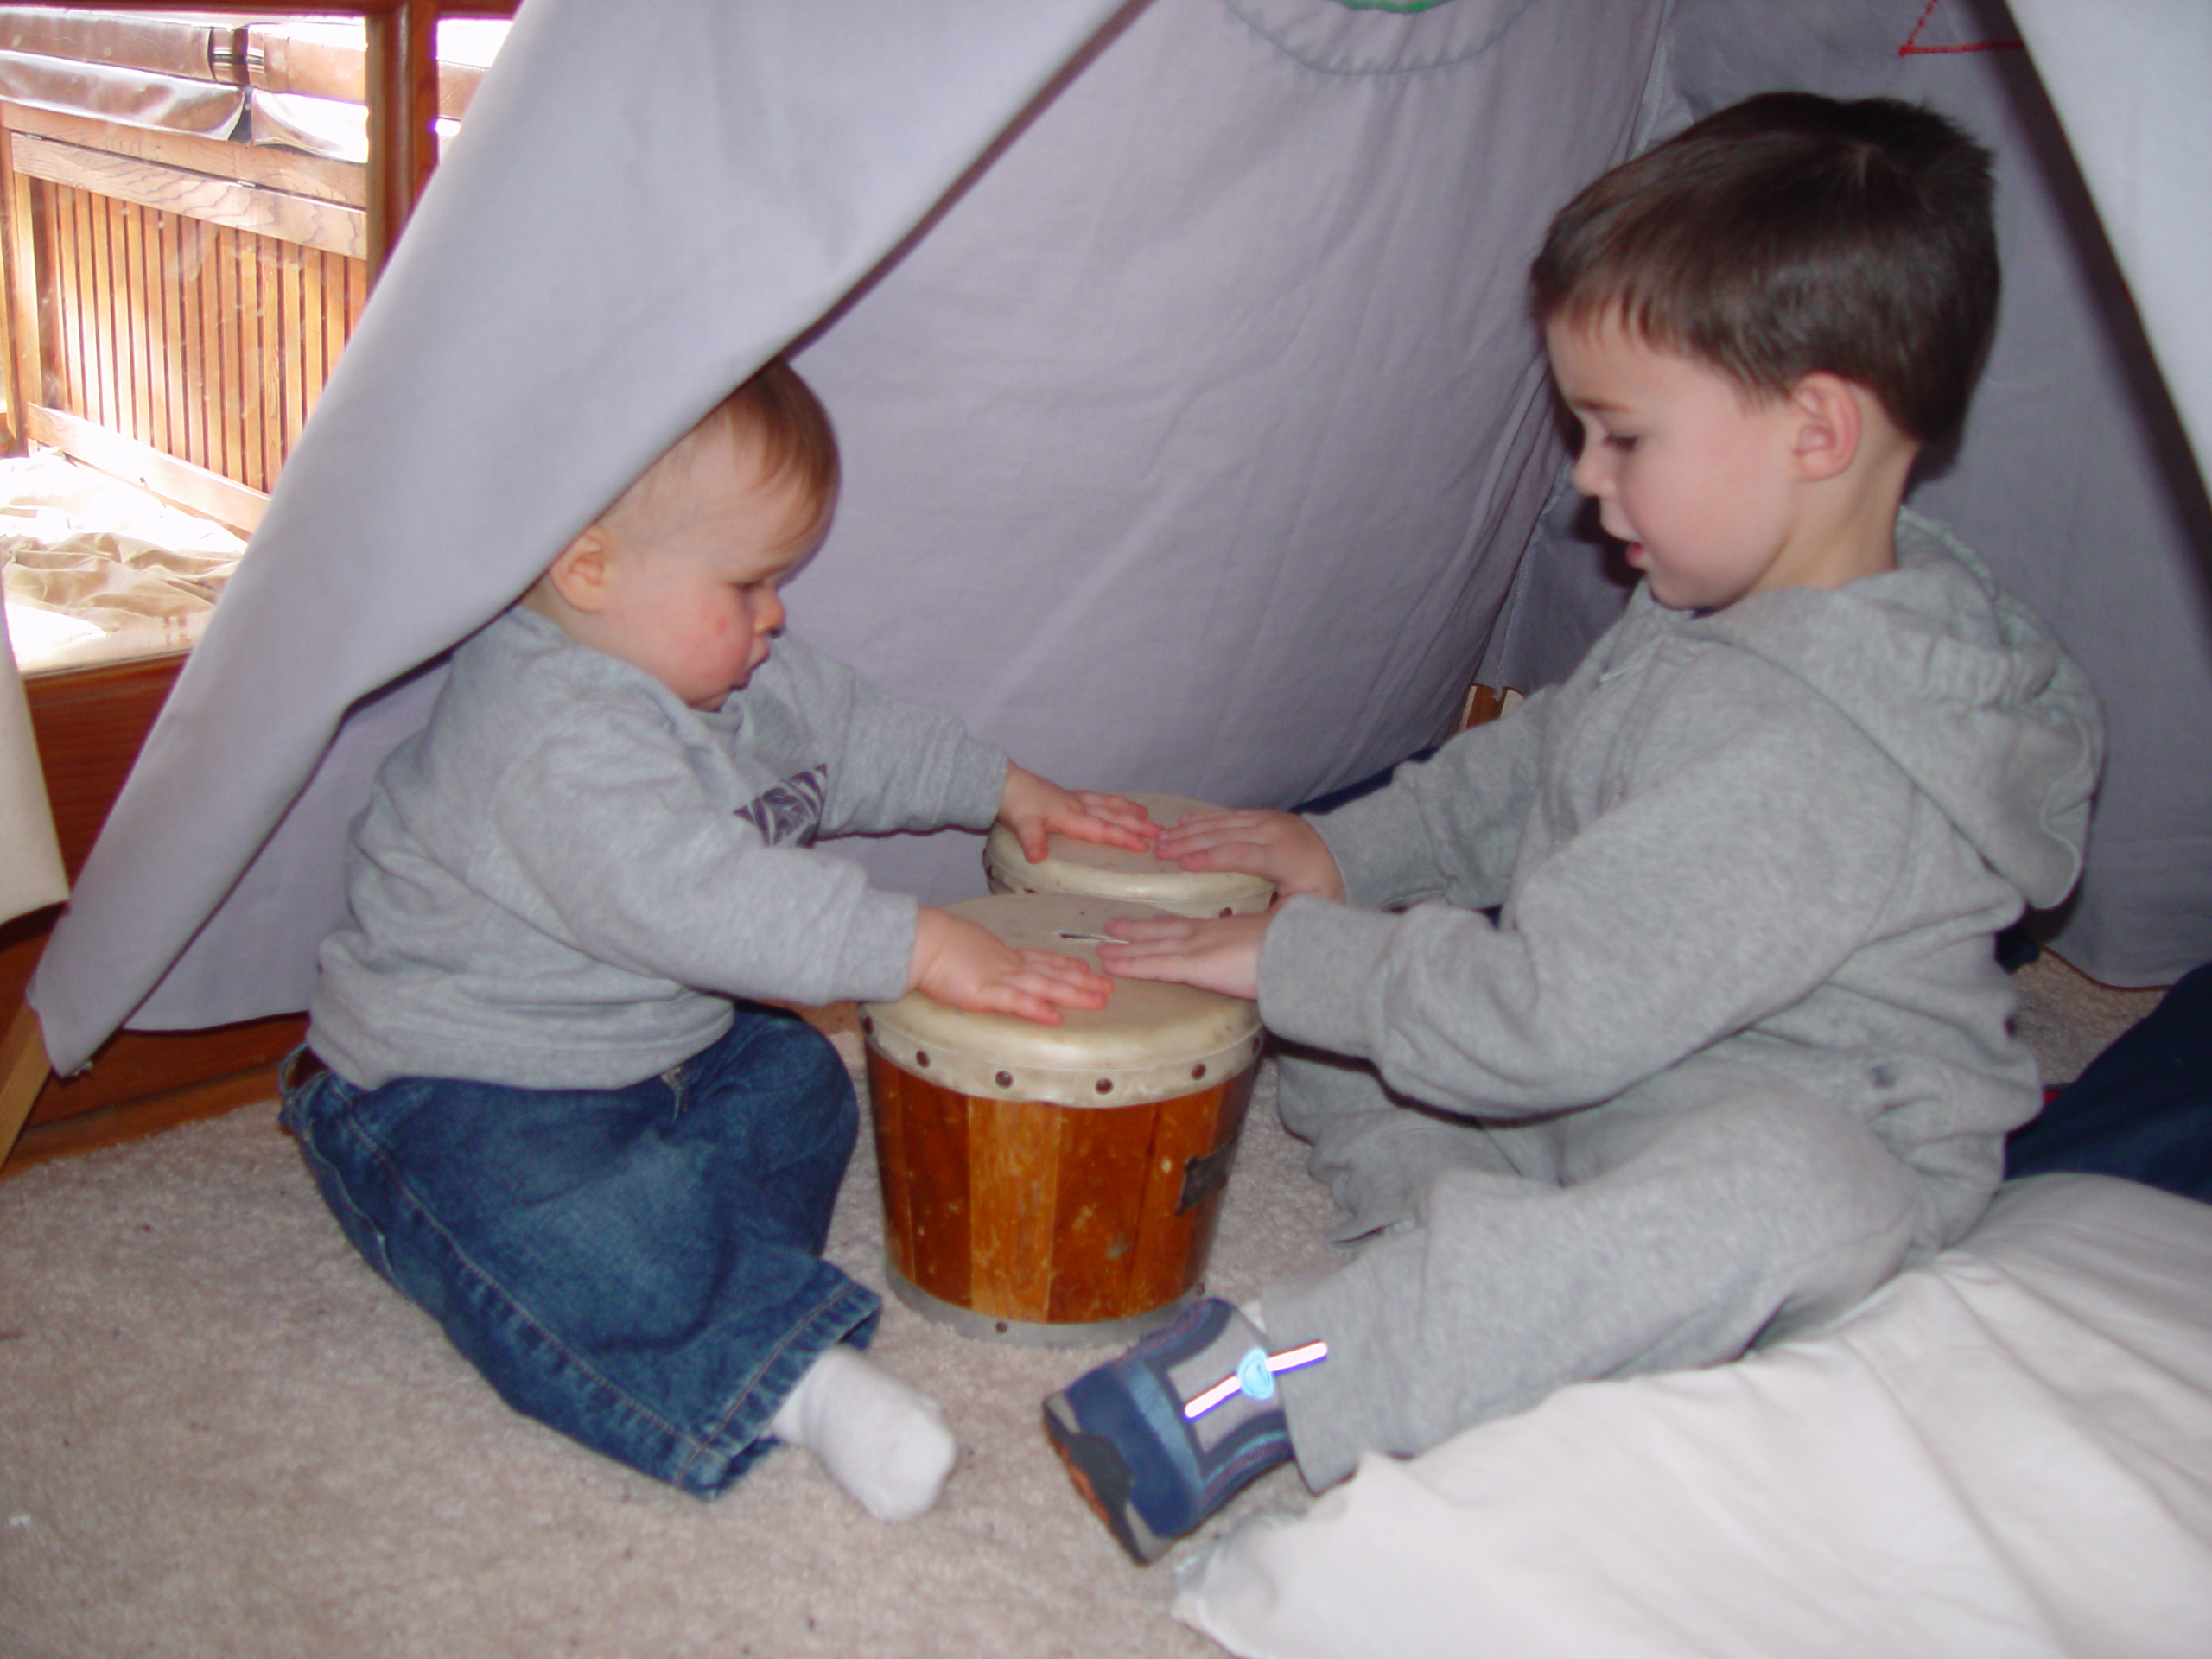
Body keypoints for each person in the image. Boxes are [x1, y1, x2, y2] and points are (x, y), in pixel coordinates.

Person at [1042, 92, 2105, 1565]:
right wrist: (1346, 857)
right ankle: (1496, 1292)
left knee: (1760, 1183)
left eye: (1620, 437)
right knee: (1373, 1015)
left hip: (1784, 1138)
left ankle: (1269, 1381)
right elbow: (1545, 757)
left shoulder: (1815, 758)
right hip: (1611, 1061)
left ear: (1816, 428)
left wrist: (1299, 957)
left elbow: (1541, 1018)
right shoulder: (1733, 602)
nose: (1588, 484)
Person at [281, 359, 1154, 1523]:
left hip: (658, 1053)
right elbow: (703, 902)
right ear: (588, 567)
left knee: (801, 1082)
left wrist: (1006, 787)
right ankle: (782, 1377)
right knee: (556, 1223)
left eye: (780, 582)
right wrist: (923, 943)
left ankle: (687, 1256)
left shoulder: (739, 677)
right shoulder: (543, 733)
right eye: (748, 584)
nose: (777, 615)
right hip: (461, 1085)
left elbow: (857, 736)